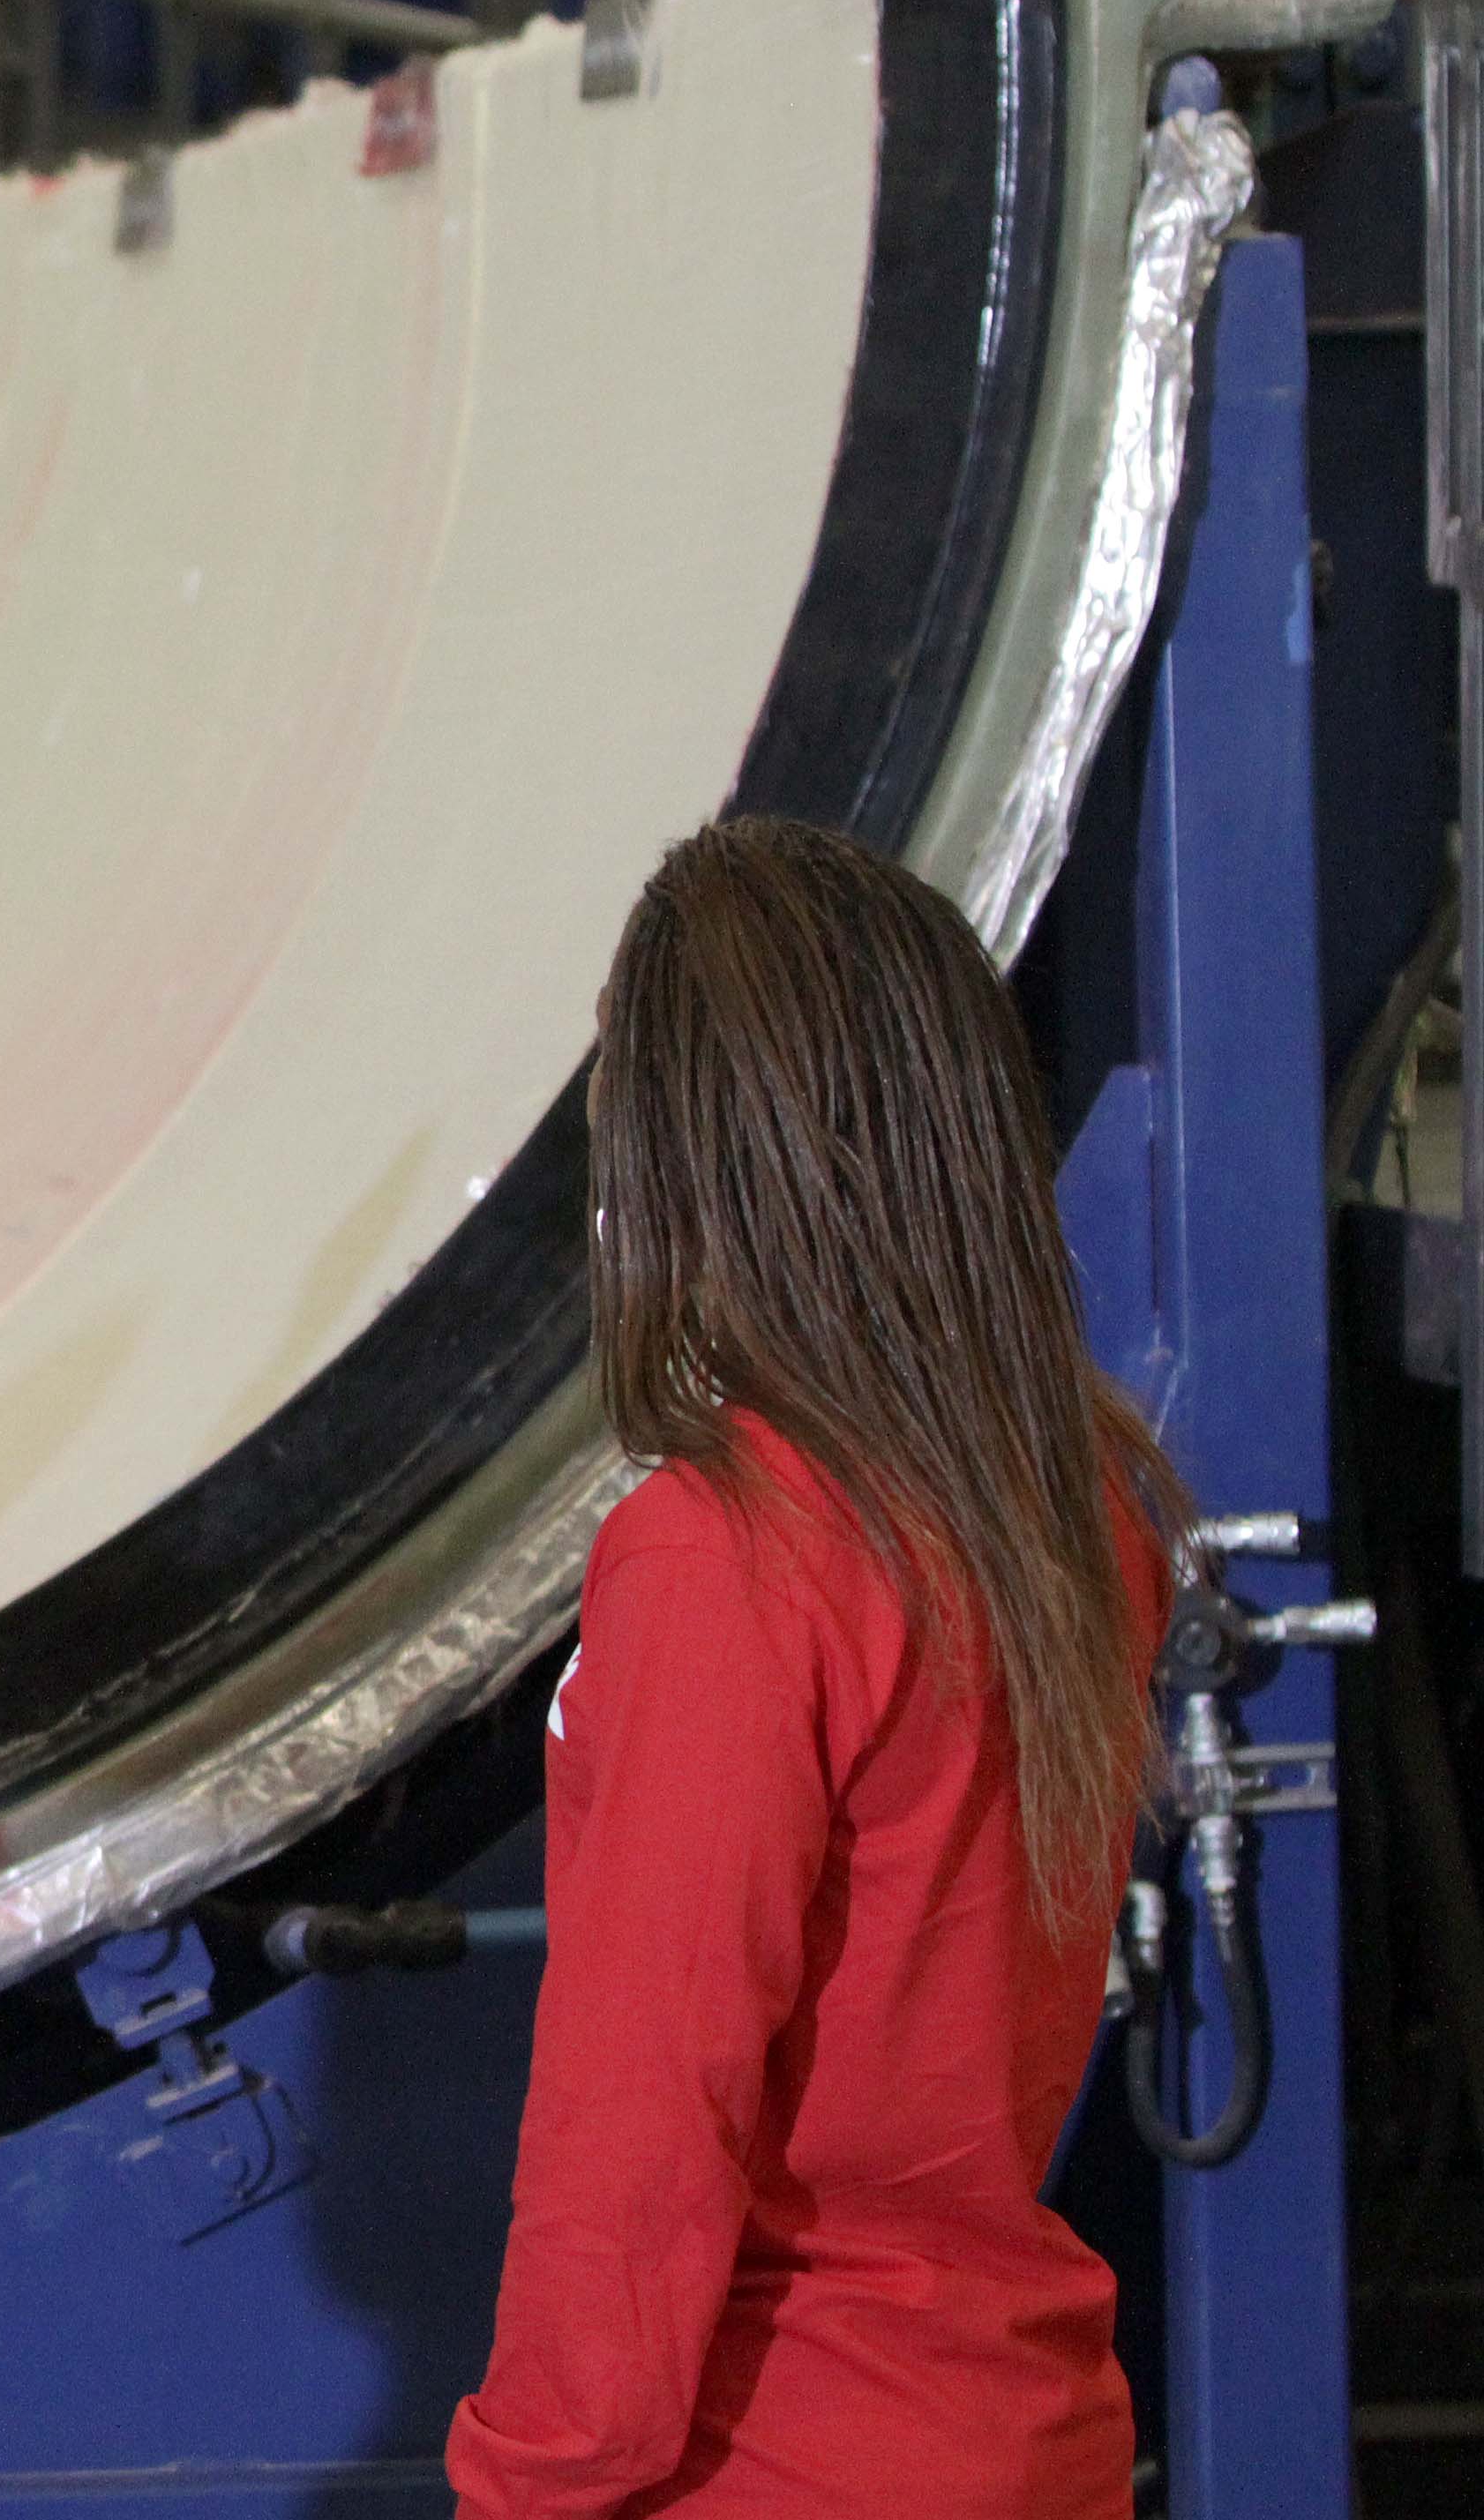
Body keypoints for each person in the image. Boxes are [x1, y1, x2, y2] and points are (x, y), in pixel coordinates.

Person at [449, 815, 1178, 2517]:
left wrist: (526, 2491)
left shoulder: (724, 1557)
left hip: (768, 2466)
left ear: (692, 1160)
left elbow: (637, 2126)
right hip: (1020, 2436)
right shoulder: (1073, 1501)